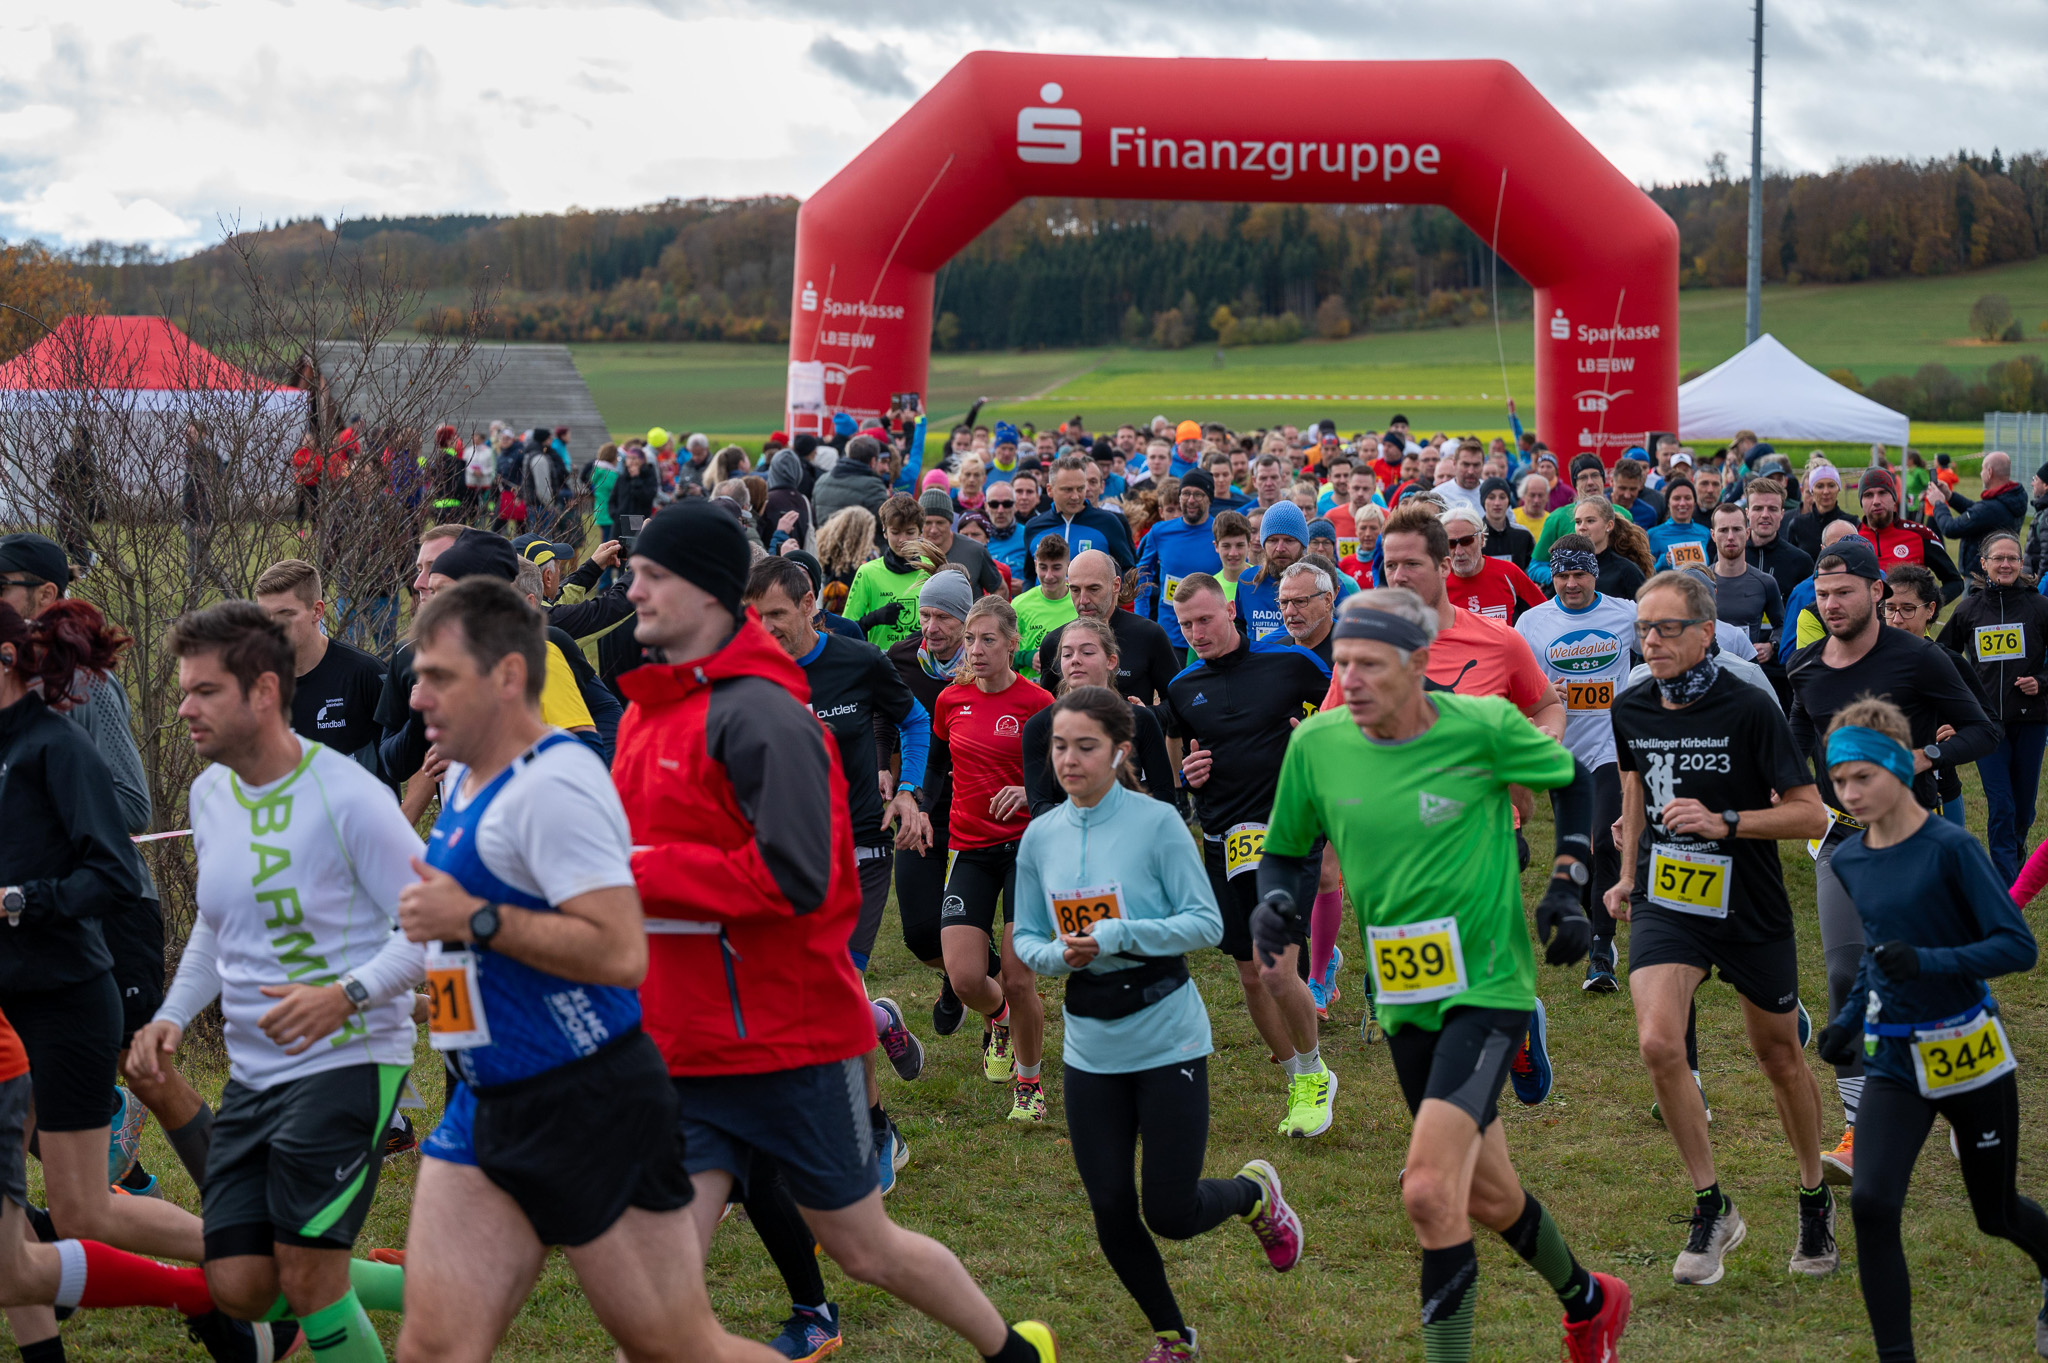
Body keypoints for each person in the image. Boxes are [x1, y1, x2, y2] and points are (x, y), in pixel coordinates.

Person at [612, 505, 1058, 1363]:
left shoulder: (767, 715)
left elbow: (798, 877)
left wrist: (634, 873)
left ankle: (1009, 1350)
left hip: (790, 1041)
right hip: (688, 1045)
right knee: (652, 1308)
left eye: (651, 575)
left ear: (709, 593)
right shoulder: (646, 714)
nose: (630, 590)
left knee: (865, 1247)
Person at [1255, 590, 1630, 1363]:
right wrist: (1276, 903)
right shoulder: (1318, 744)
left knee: (1428, 1189)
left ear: (1418, 663)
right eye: (1342, 663)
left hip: (1488, 987)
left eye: (1370, 663)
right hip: (1404, 995)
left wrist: (1568, 877)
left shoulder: (1482, 726)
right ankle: (1590, 1301)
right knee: (1489, 1193)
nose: (1350, 680)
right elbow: (1287, 850)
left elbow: (1573, 778)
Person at [388, 574, 752, 1363]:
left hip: (586, 1100)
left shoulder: (554, 784)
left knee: (672, 1346)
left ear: (508, 675)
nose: (417, 696)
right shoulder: (467, 778)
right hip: (484, 1098)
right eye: (418, 675)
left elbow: (620, 951)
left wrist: (475, 919)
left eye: (439, 676)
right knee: (432, 1347)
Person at [130, 602, 422, 1361]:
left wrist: (345, 994)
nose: (184, 709)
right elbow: (216, 924)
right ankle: (433, 1284)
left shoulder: (350, 796)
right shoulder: (210, 795)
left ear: (263, 692)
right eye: (184, 691)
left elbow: (434, 928)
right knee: (241, 1283)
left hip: (351, 1058)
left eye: (204, 691)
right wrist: (173, 1013)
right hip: (257, 1073)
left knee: (308, 1272)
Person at [0, 598, 261, 1358]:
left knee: (85, 1211)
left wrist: (20, 901)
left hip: (64, 1002)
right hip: (8, 1005)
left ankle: (242, 1261)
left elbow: (115, 872)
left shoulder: (56, 746)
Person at [1012, 688, 1303, 1362]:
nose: (1069, 760)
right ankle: (1174, 1337)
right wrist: (1056, 956)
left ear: (1121, 751)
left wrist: (1119, 934)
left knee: (1169, 1213)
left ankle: (1254, 1195)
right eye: (1059, 746)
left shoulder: (1158, 823)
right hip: (1090, 1044)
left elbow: (1206, 923)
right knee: (1111, 1207)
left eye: (1086, 746)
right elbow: (1025, 935)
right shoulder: (1040, 836)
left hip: (1167, 1033)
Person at [1601, 572, 1836, 1285]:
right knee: (1657, 1041)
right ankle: (1712, 1206)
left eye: (1667, 628)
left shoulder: (1750, 704)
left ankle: (1813, 1195)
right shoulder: (1632, 701)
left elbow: (1811, 813)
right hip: (1669, 897)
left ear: (1706, 632)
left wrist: (1726, 820)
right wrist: (1627, 871)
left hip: (1749, 902)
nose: (1651, 640)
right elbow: (1635, 781)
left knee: (1779, 1057)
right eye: (1643, 628)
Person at [1812, 698, 2048, 1363]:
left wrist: (1929, 962)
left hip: (1968, 1050)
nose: (1850, 794)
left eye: (1863, 777)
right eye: (1839, 781)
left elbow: (2017, 946)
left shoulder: (1952, 848)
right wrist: (1846, 1022)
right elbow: (1877, 953)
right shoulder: (1851, 859)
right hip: (1895, 1056)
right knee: (1871, 1203)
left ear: (1897, 764)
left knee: (1995, 1213)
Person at [1788, 536, 2001, 1184]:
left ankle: (1970, 1095)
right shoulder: (1805, 665)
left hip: (1912, 840)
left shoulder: (1921, 658)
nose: (1831, 605)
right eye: (1822, 595)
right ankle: (1860, 1129)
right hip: (1842, 840)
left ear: (1876, 591)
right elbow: (1796, 734)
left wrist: (1924, 757)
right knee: (1845, 973)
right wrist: (1786, 784)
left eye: (1843, 592)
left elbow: (1984, 730)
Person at [0, 532, 194, 1202]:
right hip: (40, 916)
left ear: (45, 594)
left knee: (146, 1074)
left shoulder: (84, 683)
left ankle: (247, 1214)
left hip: (112, 903)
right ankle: (124, 1194)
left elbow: (132, 803)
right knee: (33, 1082)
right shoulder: (11, 693)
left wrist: (41, 822)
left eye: (3, 586)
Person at [1166, 574, 1337, 1137]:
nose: (1197, 633)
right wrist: (1188, 776)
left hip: (1289, 833)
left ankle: (1314, 1073)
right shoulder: (1183, 686)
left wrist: (1317, 733)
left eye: (1205, 620)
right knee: (1250, 974)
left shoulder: (1293, 663)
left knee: (1274, 966)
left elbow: (1347, 713)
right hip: (1224, 839)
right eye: (1186, 625)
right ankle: (1296, 1076)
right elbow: (1180, 758)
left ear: (1231, 612)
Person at [927, 596, 1056, 1121]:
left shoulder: (1039, 702)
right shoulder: (950, 700)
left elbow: (1062, 776)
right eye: (970, 640)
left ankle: (1029, 1084)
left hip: (1026, 851)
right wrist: (917, 807)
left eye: (988, 640)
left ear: (1012, 643)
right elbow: (936, 766)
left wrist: (1029, 792)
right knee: (964, 979)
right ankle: (999, 1017)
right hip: (971, 850)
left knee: (1021, 979)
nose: (975, 650)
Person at [1516, 537, 1637, 993]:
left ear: (1594, 574)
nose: (1570, 583)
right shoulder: (1532, 622)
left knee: (1605, 839)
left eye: (1579, 574)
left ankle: (1601, 952)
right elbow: (1519, 688)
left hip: (1610, 747)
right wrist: (1546, 696)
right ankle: (1594, 919)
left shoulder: (1626, 614)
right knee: (1582, 849)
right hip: (1561, 749)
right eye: (1562, 575)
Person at [1935, 530, 2048, 883]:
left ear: (2021, 563)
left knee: (2023, 809)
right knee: (2001, 804)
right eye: (1998, 558)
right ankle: (2006, 883)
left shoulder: (2040, 607)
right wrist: (1959, 705)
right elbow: (1942, 658)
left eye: (2012, 558)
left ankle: (2015, 850)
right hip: (1986, 725)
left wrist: (2041, 681)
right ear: (1984, 564)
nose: (2006, 564)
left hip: (2032, 721)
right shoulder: (1968, 609)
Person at [1021, 616, 1177, 817]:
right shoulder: (1039, 726)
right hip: (1069, 833)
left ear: (1111, 661)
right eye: (1067, 654)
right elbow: (1039, 806)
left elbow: (1164, 795)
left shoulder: (1140, 720)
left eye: (1087, 652)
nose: (1075, 660)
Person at [254, 560, 387, 777]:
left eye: (284, 614)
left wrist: (408, 803)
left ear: (317, 611)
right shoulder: (256, 683)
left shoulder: (365, 674)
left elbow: (423, 750)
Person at [1035, 550, 1181, 703]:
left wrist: (1144, 713)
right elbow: (1047, 708)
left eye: (1093, 589)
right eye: (1075, 590)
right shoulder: (1053, 642)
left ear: (1115, 585)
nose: (1083, 600)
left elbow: (1176, 704)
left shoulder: (1149, 635)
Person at [1135, 470, 1223, 654]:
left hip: (1211, 637)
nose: (1191, 500)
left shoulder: (1221, 532)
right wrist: (1141, 620)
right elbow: (1142, 576)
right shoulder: (1160, 532)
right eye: (1185, 493)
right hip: (1170, 638)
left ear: (1209, 498)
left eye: (1198, 494)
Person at [1707, 503, 1788, 698]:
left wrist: (1771, 646)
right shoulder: (1701, 583)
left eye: (1737, 529)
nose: (1730, 537)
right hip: (1710, 681)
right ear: (1713, 535)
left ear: (1748, 532)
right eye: (1723, 530)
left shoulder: (1765, 582)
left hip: (1748, 680)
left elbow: (1782, 625)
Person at [844, 496, 944, 650]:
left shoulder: (932, 568)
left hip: (925, 659)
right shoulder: (867, 572)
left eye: (910, 532)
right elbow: (845, 630)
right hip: (882, 660)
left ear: (920, 532)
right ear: (885, 531)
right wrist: (873, 618)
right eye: (895, 532)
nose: (902, 540)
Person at [1022, 455, 1135, 584]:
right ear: (1050, 490)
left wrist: (1108, 593)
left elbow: (1128, 571)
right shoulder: (1034, 527)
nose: (1075, 496)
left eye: (1080, 489)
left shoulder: (1108, 523)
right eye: (1068, 490)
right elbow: (1029, 577)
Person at [1855, 468, 1962, 602]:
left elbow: (1955, 582)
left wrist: (1928, 606)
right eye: (1868, 495)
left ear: (1894, 498)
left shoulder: (1920, 535)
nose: (1876, 501)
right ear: (1861, 501)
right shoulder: (1851, 539)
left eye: (1883, 493)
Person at [1928, 450, 2028, 581]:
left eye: (1982, 469)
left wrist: (1939, 503)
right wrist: (1950, 496)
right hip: (1994, 571)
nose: (1981, 474)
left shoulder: (1990, 508)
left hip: (1978, 577)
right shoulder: (2013, 497)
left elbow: (1951, 528)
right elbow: (1977, 511)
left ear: (1989, 472)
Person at [1441, 505, 1544, 624]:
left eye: (1466, 541)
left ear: (1481, 539)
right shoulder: (1439, 584)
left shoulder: (1508, 573)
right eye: (1451, 543)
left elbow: (1546, 614)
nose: (1459, 552)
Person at [1011, 536, 1079, 681]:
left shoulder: (1080, 601)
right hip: (1032, 689)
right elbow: (1003, 653)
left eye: (1056, 568)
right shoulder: (1019, 605)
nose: (1048, 576)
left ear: (1068, 566)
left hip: (1071, 689)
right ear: (1035, 565)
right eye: (1043, 567)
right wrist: (1028, 658)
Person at [920, 490, 1005, 598]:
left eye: (940, 523)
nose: (933, 530)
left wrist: (986, 608)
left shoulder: (975, 550)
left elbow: (1000, 589)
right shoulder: (911, 553)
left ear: (951, 522)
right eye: (927, 523)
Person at [1569, 496, 1651, 601]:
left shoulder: (1627, 570)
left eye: (1590, 521)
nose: (1582, 527)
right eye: (1578, 522)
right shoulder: (1567, 566)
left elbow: (1645, 608)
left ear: (1609, 525)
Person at [1647, 478, 1712, 571]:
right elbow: (1646, 576)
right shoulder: (1652, 535)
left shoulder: (1705, 532)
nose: (1682, 503)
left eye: (1688, 498)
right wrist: (1660, 564)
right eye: (1676, 498)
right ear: (1668, 503)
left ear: (1694, 502)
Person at [1479, 477, 1533, 569]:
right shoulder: (1474, 536)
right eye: (1491, 497)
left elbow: (1531, 569)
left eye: (1502, 497)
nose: (1497, 503)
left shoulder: (1523, 535)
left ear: (1508, 501)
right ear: (1484, 501)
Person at [984, 481, 1028, 578]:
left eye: (1007, 504)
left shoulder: (1028, 535)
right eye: (994, 504)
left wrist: (1026, 584)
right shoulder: (978, 537)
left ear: (1015, 506)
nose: (1000, 510)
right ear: (986, 507)